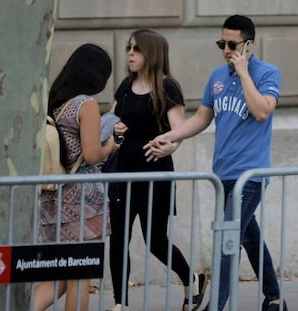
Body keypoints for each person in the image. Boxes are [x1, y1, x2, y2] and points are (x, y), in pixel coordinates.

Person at [144, 15, 288, 311]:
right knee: (249, 237)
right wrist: (167, 138)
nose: (226, 49)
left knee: (227, 240)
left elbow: (262, 112)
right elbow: (201, 118)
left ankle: (216, 306)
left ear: (248, 44)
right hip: (222, 174)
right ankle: (274, 298)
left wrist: (244, 73)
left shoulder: (267, 73)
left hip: (250, 175)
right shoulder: (217, 77)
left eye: (232, 44)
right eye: (222, 43)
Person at [108, 29, 207, 311]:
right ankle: (120, 304)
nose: (130, 53)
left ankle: (192, 279)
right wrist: (113, 129)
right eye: (129, 48)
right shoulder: (125, 87)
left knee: (155, 241)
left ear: (151, 53)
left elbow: (179, 131)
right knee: (118, 240)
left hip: (155, 176)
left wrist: (169, 146)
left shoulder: (167, 88)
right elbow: (111, 124)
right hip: (123, 175)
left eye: (136, 49)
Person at [34, 43, 120, 311]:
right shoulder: (86, 104)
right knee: (80, 275)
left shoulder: (55, 102)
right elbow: (93, 154)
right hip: (83, 199)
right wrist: (112, 145)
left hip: (53, 196)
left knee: (61, 274)